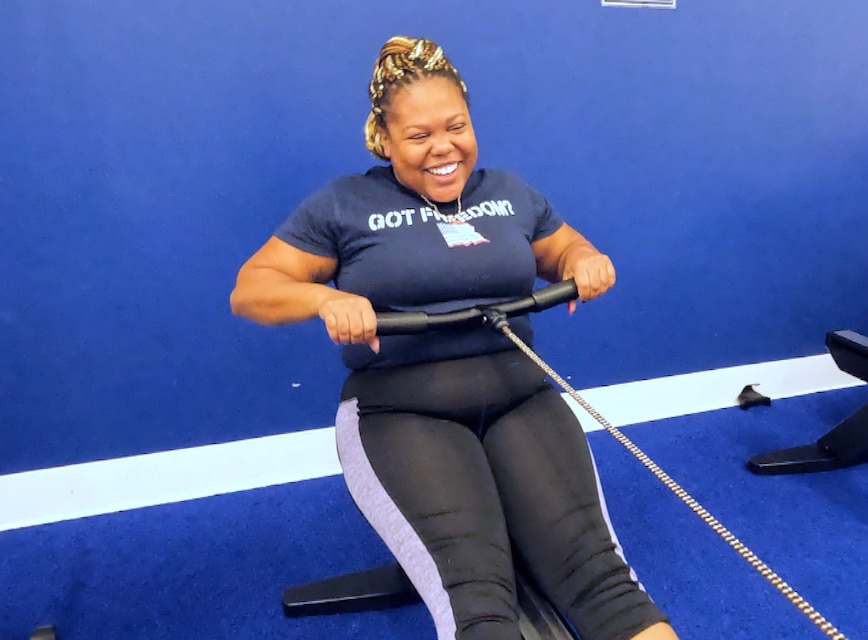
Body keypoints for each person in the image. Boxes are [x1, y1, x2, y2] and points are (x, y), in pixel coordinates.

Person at [230, 35, 681, 640]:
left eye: (456, 127)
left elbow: (564, 249)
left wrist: (586, 258)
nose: (443, 148)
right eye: (418, 136)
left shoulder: (508, 193)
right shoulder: (345, 204)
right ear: (383, 140)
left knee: (601, 580)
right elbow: (251, 288)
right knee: (478, 599)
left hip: (521, 398)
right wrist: (325, 296)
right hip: (403, 411)